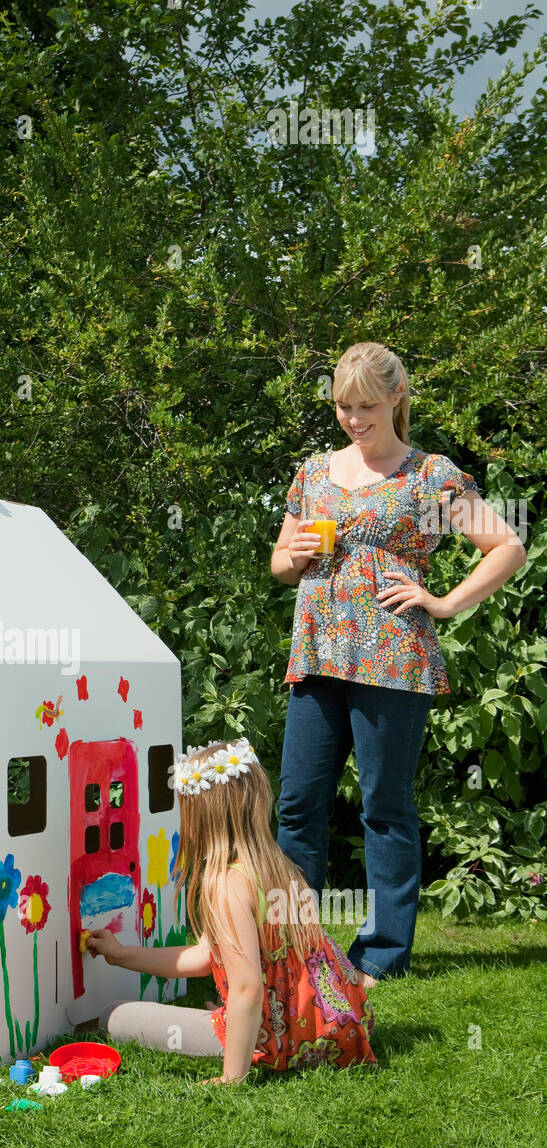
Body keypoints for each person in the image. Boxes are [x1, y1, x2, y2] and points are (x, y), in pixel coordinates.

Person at [271, 342, 527, 987]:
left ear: (395, 400)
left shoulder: (430, 475)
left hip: (392, 655)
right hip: (318, 651)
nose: (354, 420)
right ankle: (293, 945)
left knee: (384, 806)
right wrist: (294, 554)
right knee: (298, 805)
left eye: (365, 406)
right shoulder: (314, 472)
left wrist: (442, 602)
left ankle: (383, 952)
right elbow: (278, 566)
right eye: (342, 407)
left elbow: (506, 546)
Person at [84, 739, 376, 1084]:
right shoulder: (277, 867)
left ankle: (238, 1032)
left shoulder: (226, 885)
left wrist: (231, 1077)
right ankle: (240, 1022)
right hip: (337, 1025)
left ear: (200, 816)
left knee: (113, 1017)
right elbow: (207, 957)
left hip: (283, 1042)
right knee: (231, 1009)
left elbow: (247, 989)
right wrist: (122, 955)